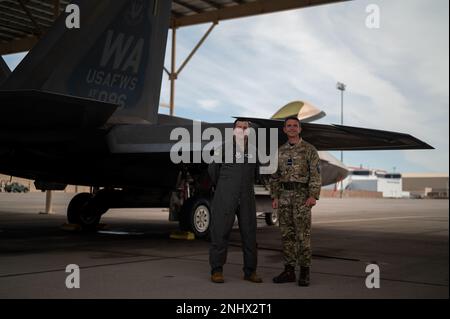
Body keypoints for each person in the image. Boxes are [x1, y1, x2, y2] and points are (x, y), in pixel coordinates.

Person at [207, 119, 262, 284]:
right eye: (239, 127)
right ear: (233, 130)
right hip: (225, 196)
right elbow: (212, 171)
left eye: (246, 128)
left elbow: (257, 174)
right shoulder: (222, 148)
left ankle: (250, 272)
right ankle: (217, 270)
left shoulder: (253, 151)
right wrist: (226, 186)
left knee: (249, 234)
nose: (243, 129)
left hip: (246, 197)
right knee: (220, 232)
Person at [270, 116, 321, 286]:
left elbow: (315, 174)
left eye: (295, 126)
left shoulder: (309, 150)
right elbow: (275, 176)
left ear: (300, 129)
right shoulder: (280, 151)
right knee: (286, 236)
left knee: (302, 236)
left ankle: (305, 272)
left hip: (302, 197)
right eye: (288, 126)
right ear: (284, 130)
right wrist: (275, 196)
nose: (292, 128)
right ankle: (289, 271)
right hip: (284, 196)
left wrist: (313, 195)